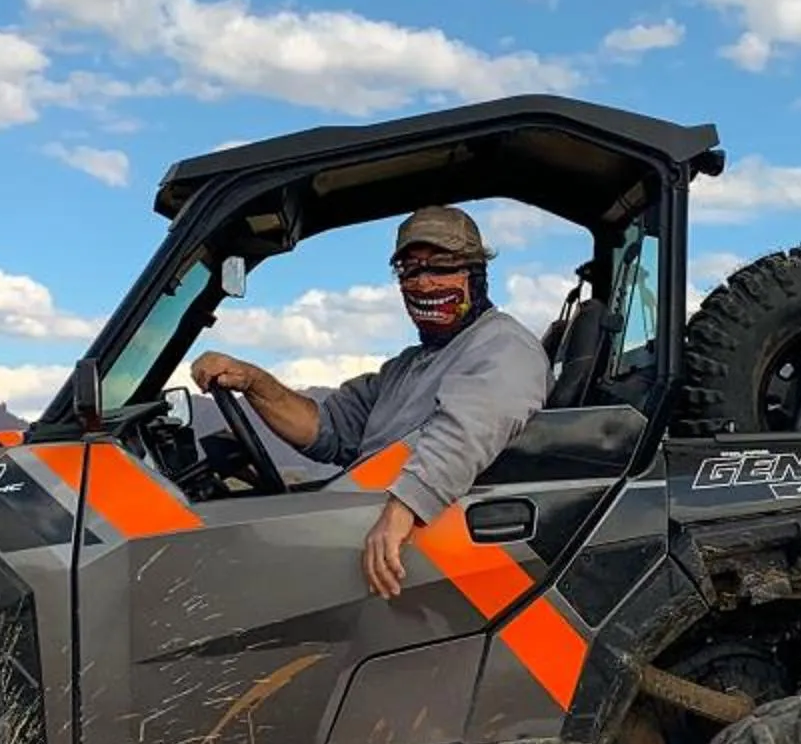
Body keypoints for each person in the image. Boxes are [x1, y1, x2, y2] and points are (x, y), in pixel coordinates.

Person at [191, 204, 548, 599]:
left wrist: (401, 510)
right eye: (411, 270)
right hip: (363, 528)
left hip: (427, 558)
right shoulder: (407, 366)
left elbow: (470, 427)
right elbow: (328, 427)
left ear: (476, 273)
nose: (424, 283)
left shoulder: (504, 346)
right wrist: (254, 381)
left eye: (442, 267)